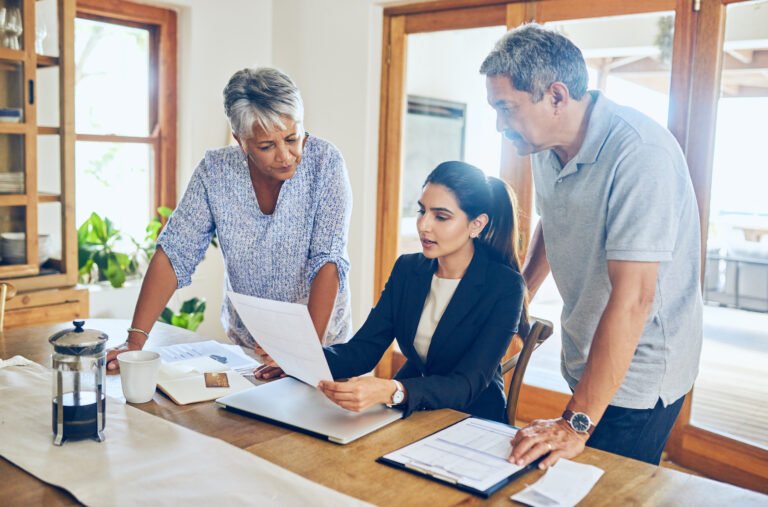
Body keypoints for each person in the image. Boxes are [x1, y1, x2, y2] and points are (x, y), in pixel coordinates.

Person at [480, 23, 703, 466]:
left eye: (507, 109)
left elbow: (635, 297)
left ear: (556, 97)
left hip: (641, 370)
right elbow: (554, 215)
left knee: (606, 491)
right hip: (587, 348)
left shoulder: (640, 154)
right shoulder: (545, 145)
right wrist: (522, 290)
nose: (499, 125)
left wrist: (575, 422)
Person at [106, 67, 353, 371]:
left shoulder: (325, 163)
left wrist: (304, 355)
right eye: (266, 146)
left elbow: (327, 262)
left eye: (292, 138)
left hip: (322, 348)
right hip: (249, 349)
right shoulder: (216, 171)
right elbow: (174, 252)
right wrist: (135, 341)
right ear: (240, 140)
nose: (285, 156)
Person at [313, 161, 526, 422]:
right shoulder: (407, 269)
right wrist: (299, 359)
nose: (424, 225)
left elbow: (466, 384)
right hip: (413, 408)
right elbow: (363, 350)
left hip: (470, 417)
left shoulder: (504, 286)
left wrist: (393, 390)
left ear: (476, 224)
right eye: (422, 211)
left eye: (441, 216)